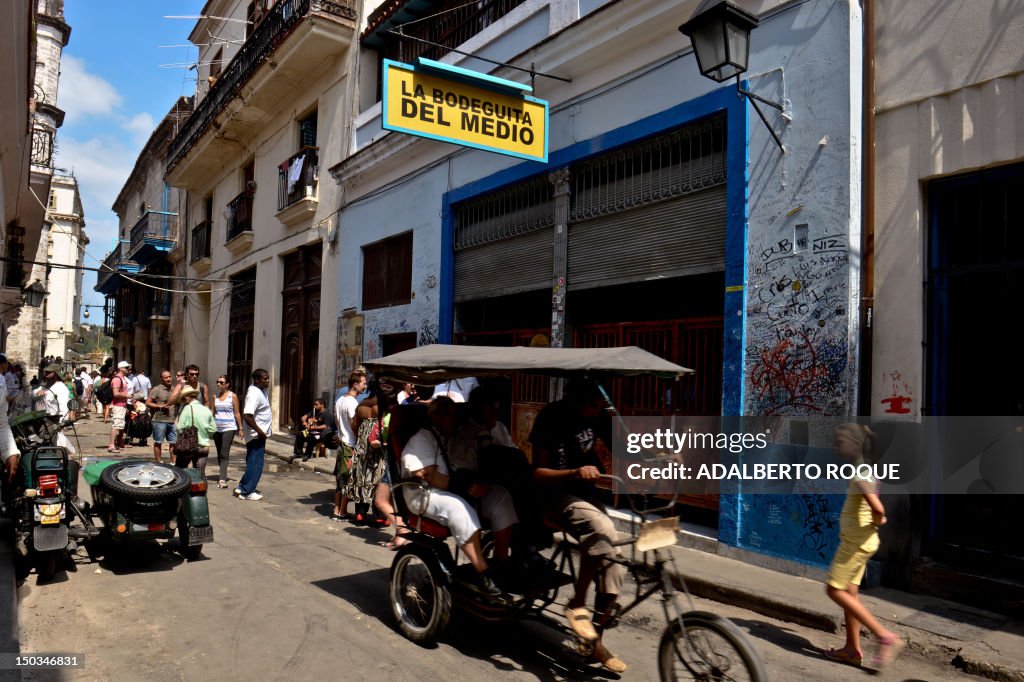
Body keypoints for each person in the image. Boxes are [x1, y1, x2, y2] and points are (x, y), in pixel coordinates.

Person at [529, 379, 627, 673]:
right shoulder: (550, 417)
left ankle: (593, 642)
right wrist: (574, 471)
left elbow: (624, 448)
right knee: (601, 529)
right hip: (553, 496)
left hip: (584, 496)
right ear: (575, 399)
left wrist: (658, 458)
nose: (598, 413)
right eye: (593, 406)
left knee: (616, 562)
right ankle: (577, 602)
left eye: (600, 407)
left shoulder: (597, 417)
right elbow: (538, 473)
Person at [401, 397, 508, 600]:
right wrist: (465, 487)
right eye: (448, 415)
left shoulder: (449, 438)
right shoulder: (422, 438)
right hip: (422, 494)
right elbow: (430, 476)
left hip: (448, 489)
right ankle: (484, 572)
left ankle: (503, 563)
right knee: (458, 507)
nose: (453, 420)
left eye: (453, 415)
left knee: (499, 497)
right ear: (434, 416)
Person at [824, 423, 905, 670]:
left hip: (854, 545)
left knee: (834, 590)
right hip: (862, 541)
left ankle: (884, 636)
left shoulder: (860, 473)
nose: (836, 446)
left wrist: (879, 516)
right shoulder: (866, 469)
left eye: (840, 442)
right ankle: (852, 649)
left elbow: (877, 507)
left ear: (855, 445)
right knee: (850, 593)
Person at [331, 372, 365, 520]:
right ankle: (342, 511)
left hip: (342, 443)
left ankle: (336, 510)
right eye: (363, 383)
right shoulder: (352, 402)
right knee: (348, 480)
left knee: (340, 480)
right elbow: (354, 424)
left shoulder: (339, 401)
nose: (365, 386)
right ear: (355, 385)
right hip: (350, 445)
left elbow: (338, 423)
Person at [236, 368, 271, 501]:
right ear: (257, 380)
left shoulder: (261, 390)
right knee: (256, 463)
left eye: (268, 378)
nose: (267, 381)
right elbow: (248, 416)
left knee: (252, 460)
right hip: (256, 435)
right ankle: (247, 491)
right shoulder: (254, 394)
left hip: (259, 434)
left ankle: (243, 486)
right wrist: (260, 431)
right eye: (265, 379)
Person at [174, 385, 217, 479]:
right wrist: (204, 434)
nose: (183, 402)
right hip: (203, 446)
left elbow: (179, 428)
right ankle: (201, 492)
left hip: (188, 446)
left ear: (187, 397)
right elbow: (213, 429)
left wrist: (179, 439)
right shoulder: (206, 410)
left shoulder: (187, 409)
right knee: (200, 474)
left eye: (183, 399)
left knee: (180, 472)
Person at [34, 363, 76, 454]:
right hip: (39, 419)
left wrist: (61, 423)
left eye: (49, 372)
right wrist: (37, 393)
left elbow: (64, 406)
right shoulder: (45, 385)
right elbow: (33, 392)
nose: (46, 374)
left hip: (52, 421)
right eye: (46, 372)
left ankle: (53, 460)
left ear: (55, 374)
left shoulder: (61, 388)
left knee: (50, 444)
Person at [211, 375, 243, 489]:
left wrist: (240, 428)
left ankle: (222, 479)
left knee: (224, 453)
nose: (218, 384)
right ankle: (223, 473)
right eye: (217, 382)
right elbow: (213, 413)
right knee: (220, 453)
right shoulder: (215, 396)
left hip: (229, 428)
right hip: (216, 428)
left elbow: (237, 413)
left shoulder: (232, 396)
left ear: (227, 384)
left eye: (221, 382)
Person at [146, 370, 178, 464]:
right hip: (159, 420)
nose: (168, 379)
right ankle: (159, 462)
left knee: (173, 442)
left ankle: (174, 463)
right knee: (158, 442)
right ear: (162, 379)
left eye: (169, 377)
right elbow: (148, 403)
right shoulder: (157, 389)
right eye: (166, 377)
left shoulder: (175, 389)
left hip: (172, 421)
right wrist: (159, 406)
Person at [0, 353, 22, 487]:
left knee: (12, 457)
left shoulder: (4, 378)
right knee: (13, 460)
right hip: (2, 423)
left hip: (3, 421)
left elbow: (4, 399)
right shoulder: (2, 379)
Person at [107, 361, 132, 453]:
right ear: (121, 368)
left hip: (122, 405)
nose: (128, 369)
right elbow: (116, 394)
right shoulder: (117, 379)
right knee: (116, 425)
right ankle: (111, 445)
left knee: (120, 425)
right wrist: (127, 396)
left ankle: (117, 443)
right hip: (118, 406)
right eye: (126, 367)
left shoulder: (122, 378)